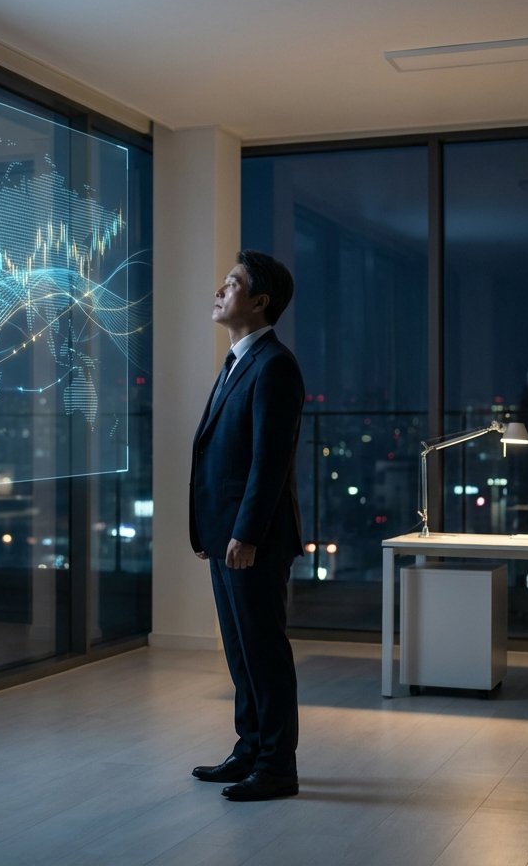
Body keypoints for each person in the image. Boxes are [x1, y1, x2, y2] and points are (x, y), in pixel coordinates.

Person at [188, 250, 304, 802]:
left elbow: (270, 461)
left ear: (259, 302)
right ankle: (251, 749)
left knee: (263, 651)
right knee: (239, 649)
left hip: (249, 538)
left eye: (231, 284)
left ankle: (278, 766)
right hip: (225, 534)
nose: (219, 290)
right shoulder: (238, 360)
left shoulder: (275, 365)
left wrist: (248, 533)